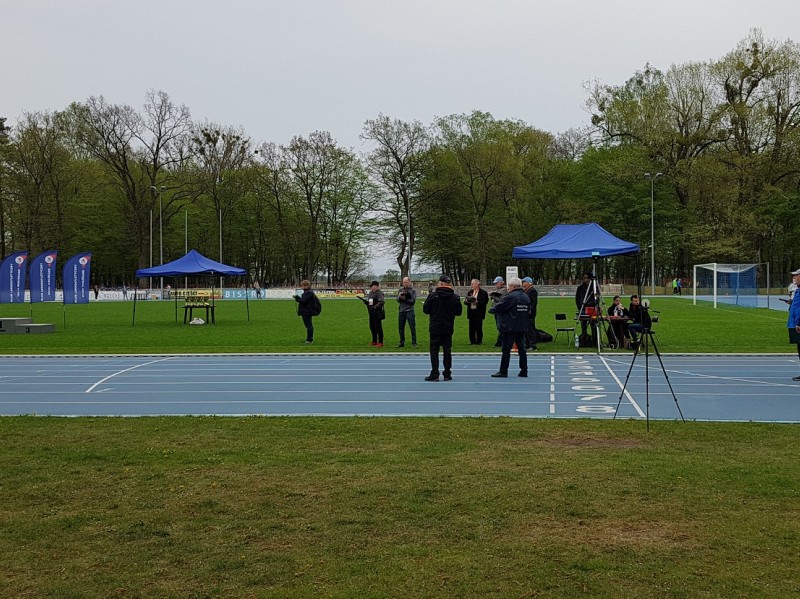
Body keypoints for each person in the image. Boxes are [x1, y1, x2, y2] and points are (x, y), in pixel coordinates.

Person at [422, 275, 462, 381]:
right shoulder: (455, 297)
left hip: (435, 326)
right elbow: (459, 312)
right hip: (448, 326)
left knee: (434, 350)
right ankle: (447, 374)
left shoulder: (433, 296)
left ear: (441, 284)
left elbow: (425, 310)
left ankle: (435, 373)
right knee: (447, 350)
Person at [489, 277, 530, 378]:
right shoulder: (525, 297)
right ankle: (524, 370)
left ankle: (503, 371)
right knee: (522, 349)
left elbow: (500, 307)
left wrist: (493, 309)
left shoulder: (511, 297)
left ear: (512, 286)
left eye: (509, 286)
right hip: (522, 326)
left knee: (506, 350)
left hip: (509, 326)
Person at [358, 280, 385, 347]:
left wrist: (375, 307)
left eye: (371, 286)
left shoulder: (379, 293)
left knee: (378, 327)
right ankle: (374, 341)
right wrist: (366, 303)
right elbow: (370, 302)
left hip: (377, 313)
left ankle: (381, 342)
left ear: (376, 286)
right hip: (371, 312)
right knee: (372, 327)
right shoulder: (371, 293)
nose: (370, 288)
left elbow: (381, 301)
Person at [464, 278, 489, 344]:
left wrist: (477, 302)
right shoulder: (470, 292)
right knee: (471, 327)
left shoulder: (483, 293)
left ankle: (479, 340)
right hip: (471, 311)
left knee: (479, 327)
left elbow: (485, 302)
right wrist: (466, 301)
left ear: (477, 284)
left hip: (479, 312)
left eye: (472, 284)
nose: (471, 285)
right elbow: (467, 302)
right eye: (471, 284)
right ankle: (472, 340)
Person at [575, 272, 597, 343]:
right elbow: (577, 298)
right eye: (583, 278)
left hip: (591, 308)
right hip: (583, 308)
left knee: (593, 325)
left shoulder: (594, 288)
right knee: (583, 325)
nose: (584, 279)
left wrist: (594, 305)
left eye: (585, 278)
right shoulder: (580, 288)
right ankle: (584, 340)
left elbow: (597, 297)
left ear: (589, 279)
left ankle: (594, 340)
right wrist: (579, 307)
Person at [294, 280, 318, 344]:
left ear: (306, 285)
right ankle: (309, 338)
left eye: (302, 286)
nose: (301, 287)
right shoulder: (308, 292)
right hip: (307, 311)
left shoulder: (308, 293)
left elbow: (303, 301)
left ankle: (309, 339)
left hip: (307, 311)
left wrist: (298, 299)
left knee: (309, 325)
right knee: (308, 325)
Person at [396, 277, 417, 348]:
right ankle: (401, 342)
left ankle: (414, 343)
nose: (404, 284)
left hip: (409, 311)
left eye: (406, 282)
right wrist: (400, 298)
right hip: (401, 311)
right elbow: (397, 300)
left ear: (409, 282)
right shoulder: (400, 290)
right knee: (401, 328)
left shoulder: (413, 290)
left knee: (412, 327)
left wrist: (405, 299)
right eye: (403, 282)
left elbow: (413, 302)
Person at [787, 268, 800, 381]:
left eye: (797, 275)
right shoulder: (798, 290)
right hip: (794, 323)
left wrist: (798, 322)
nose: (794, 277)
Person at [489, 276, 508, 347]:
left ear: (501, 283)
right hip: (496, 310)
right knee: (499, 326)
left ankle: (500, 342)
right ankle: (501, 341)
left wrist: (492, 296)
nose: (495, 285)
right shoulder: (498, 290)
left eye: (496, 283)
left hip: (500, 310)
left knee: (500, 326)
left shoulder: (504, 290)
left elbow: (502, 300)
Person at [521, 276, 538, 350]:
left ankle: (532, 345)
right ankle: (527, 344)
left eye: (524, 282)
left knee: (530, 329)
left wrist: (530, 310)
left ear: (528, 283)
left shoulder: (532, 290)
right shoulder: (526, 290)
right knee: (526, 329)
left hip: (529, 313)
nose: (522, 283)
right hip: (526, 312)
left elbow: (534, 302)